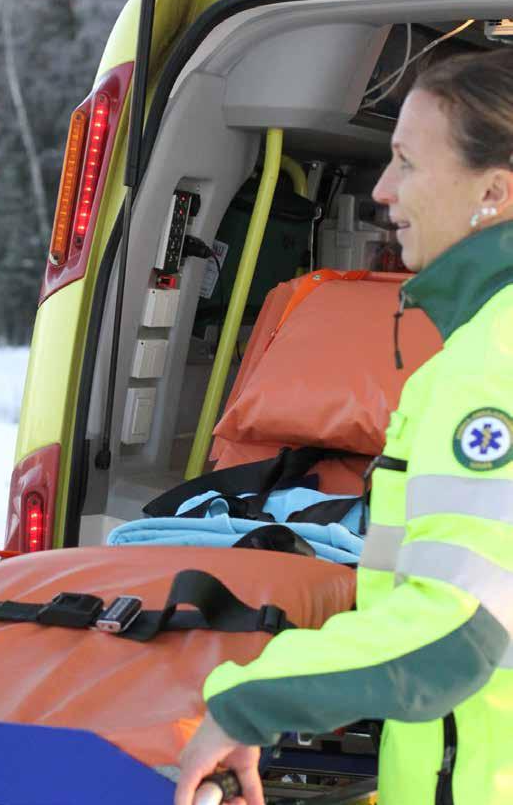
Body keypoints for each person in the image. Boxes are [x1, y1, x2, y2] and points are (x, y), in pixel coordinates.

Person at [175, 48, 513, 805]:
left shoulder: (491, 363)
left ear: (491, 190)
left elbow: (454, 635)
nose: (383, 191)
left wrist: (244, 700)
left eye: (405, 164)